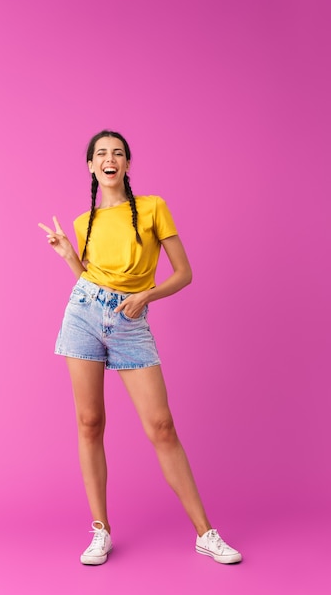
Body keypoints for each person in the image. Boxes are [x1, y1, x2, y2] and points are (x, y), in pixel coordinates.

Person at [39, 130, 242, 566]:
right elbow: (89, 278)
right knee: (90, 422)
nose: (110, 159)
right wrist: (68, 256)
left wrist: (147, 296)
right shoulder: (83, 222)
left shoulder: (152, 207)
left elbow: (183, 273)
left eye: (118, 153)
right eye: (101, 154)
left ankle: (205, 533)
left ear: (127, 164)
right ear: (91, 167)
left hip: (131, 322)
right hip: (83, 314)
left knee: (161, 427)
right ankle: (101, 530)